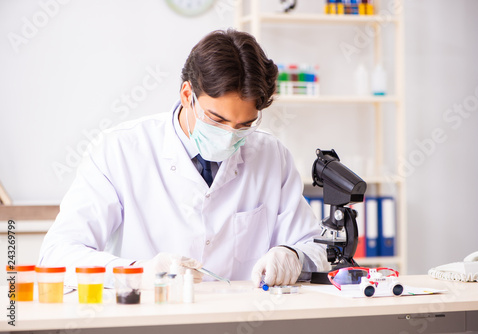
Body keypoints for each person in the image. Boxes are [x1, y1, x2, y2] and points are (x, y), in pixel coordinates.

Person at [38, 29, 328, 288]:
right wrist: (138, 272)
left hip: (241, 319)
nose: (229, 137)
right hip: (148, 318)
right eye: (216, 120)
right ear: (187, 93)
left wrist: (292, 255)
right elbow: (57, 254)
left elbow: (315, 246)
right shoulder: (120, 150)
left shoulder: (271, 155)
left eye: (243, 126)